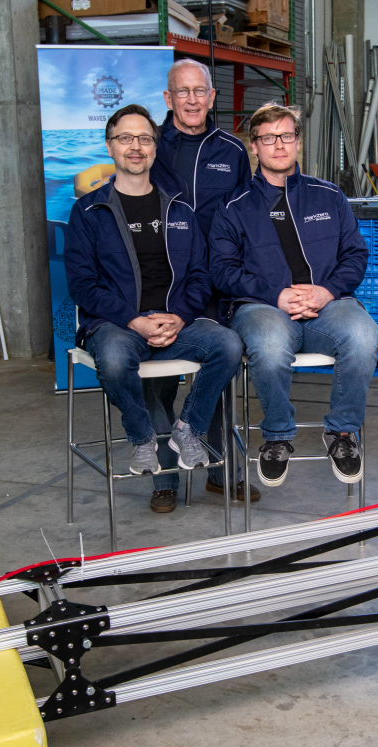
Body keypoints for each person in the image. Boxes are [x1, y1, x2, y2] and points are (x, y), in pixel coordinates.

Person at [65, 104, 243, 513]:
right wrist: (134, 320)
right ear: (110, 146)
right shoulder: (89, 211)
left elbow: (200, 275)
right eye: (125, 138)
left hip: (176, 321)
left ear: (155, 147)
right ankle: (143, 438)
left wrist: (178, 316)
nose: (135, 147)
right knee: (111, 358)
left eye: (144, 138)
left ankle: (188, 429)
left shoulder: (179, 210)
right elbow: (82, 284)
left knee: (229, 344)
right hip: (118, 324)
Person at [209, 103, 377, 488]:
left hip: (328, 307)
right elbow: (221, 270)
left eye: (286, 136)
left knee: (364, 335)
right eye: (268, 138)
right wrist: (276, 295)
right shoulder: (233, 208)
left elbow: (355, 254)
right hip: (262, 308)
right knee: (268, 343)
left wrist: (327, 291)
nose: (279, 145)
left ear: (298, 142)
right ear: (254, 146)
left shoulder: (328, 196)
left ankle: (342, 432)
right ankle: (278, 435)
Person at [150, 57, 259, 503]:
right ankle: (164, 478)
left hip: (214, 285)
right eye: (183, 91)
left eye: (200, 91)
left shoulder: (231, 151)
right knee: (154, 381)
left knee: (218, 376)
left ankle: (220, 469)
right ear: (168, 98)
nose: (192, 100)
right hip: (160, 285)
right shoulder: (149, 146)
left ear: (212, 97)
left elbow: (248, 219)